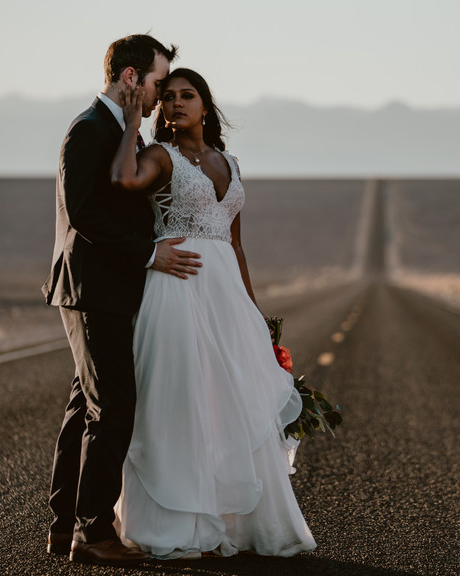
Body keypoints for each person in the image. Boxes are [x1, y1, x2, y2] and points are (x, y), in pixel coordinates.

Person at [109, 68, 317, 559]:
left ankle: (237, 524)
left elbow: (237, 246)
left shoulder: (231, 163)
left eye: (189, 96)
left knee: (231, 405)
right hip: (176, 288)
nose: (178, 103)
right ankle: (176, 526)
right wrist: (133, 120)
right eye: (171, 98)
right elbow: (123, 178)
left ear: (206, 105)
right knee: (179, 401)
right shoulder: (159, 155)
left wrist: (254, 311)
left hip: (226, 297)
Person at [41, 34, 203, 567]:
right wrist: (148, 255)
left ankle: (65, 528)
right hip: (91, 290)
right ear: (131, 79)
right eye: (158, 82)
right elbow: (86, 213)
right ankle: (93, 531)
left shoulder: (117, 129)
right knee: (113, 408)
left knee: (82, 410)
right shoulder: (90, 130)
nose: (161, 96)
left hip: (107, 290)